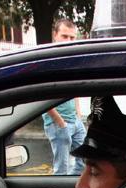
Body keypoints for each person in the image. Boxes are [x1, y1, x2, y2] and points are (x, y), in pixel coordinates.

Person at [43, 19, 86, 175]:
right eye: (64, 36)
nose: (69, 41)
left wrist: (79, 115)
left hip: (75, 121)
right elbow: (42, 96)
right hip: (58, 124)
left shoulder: (70, 61)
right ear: (55, 35)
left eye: (72, 37)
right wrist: (60, 122)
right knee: (62, 169)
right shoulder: (48, 62)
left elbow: (75, 90)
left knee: (83, 164)